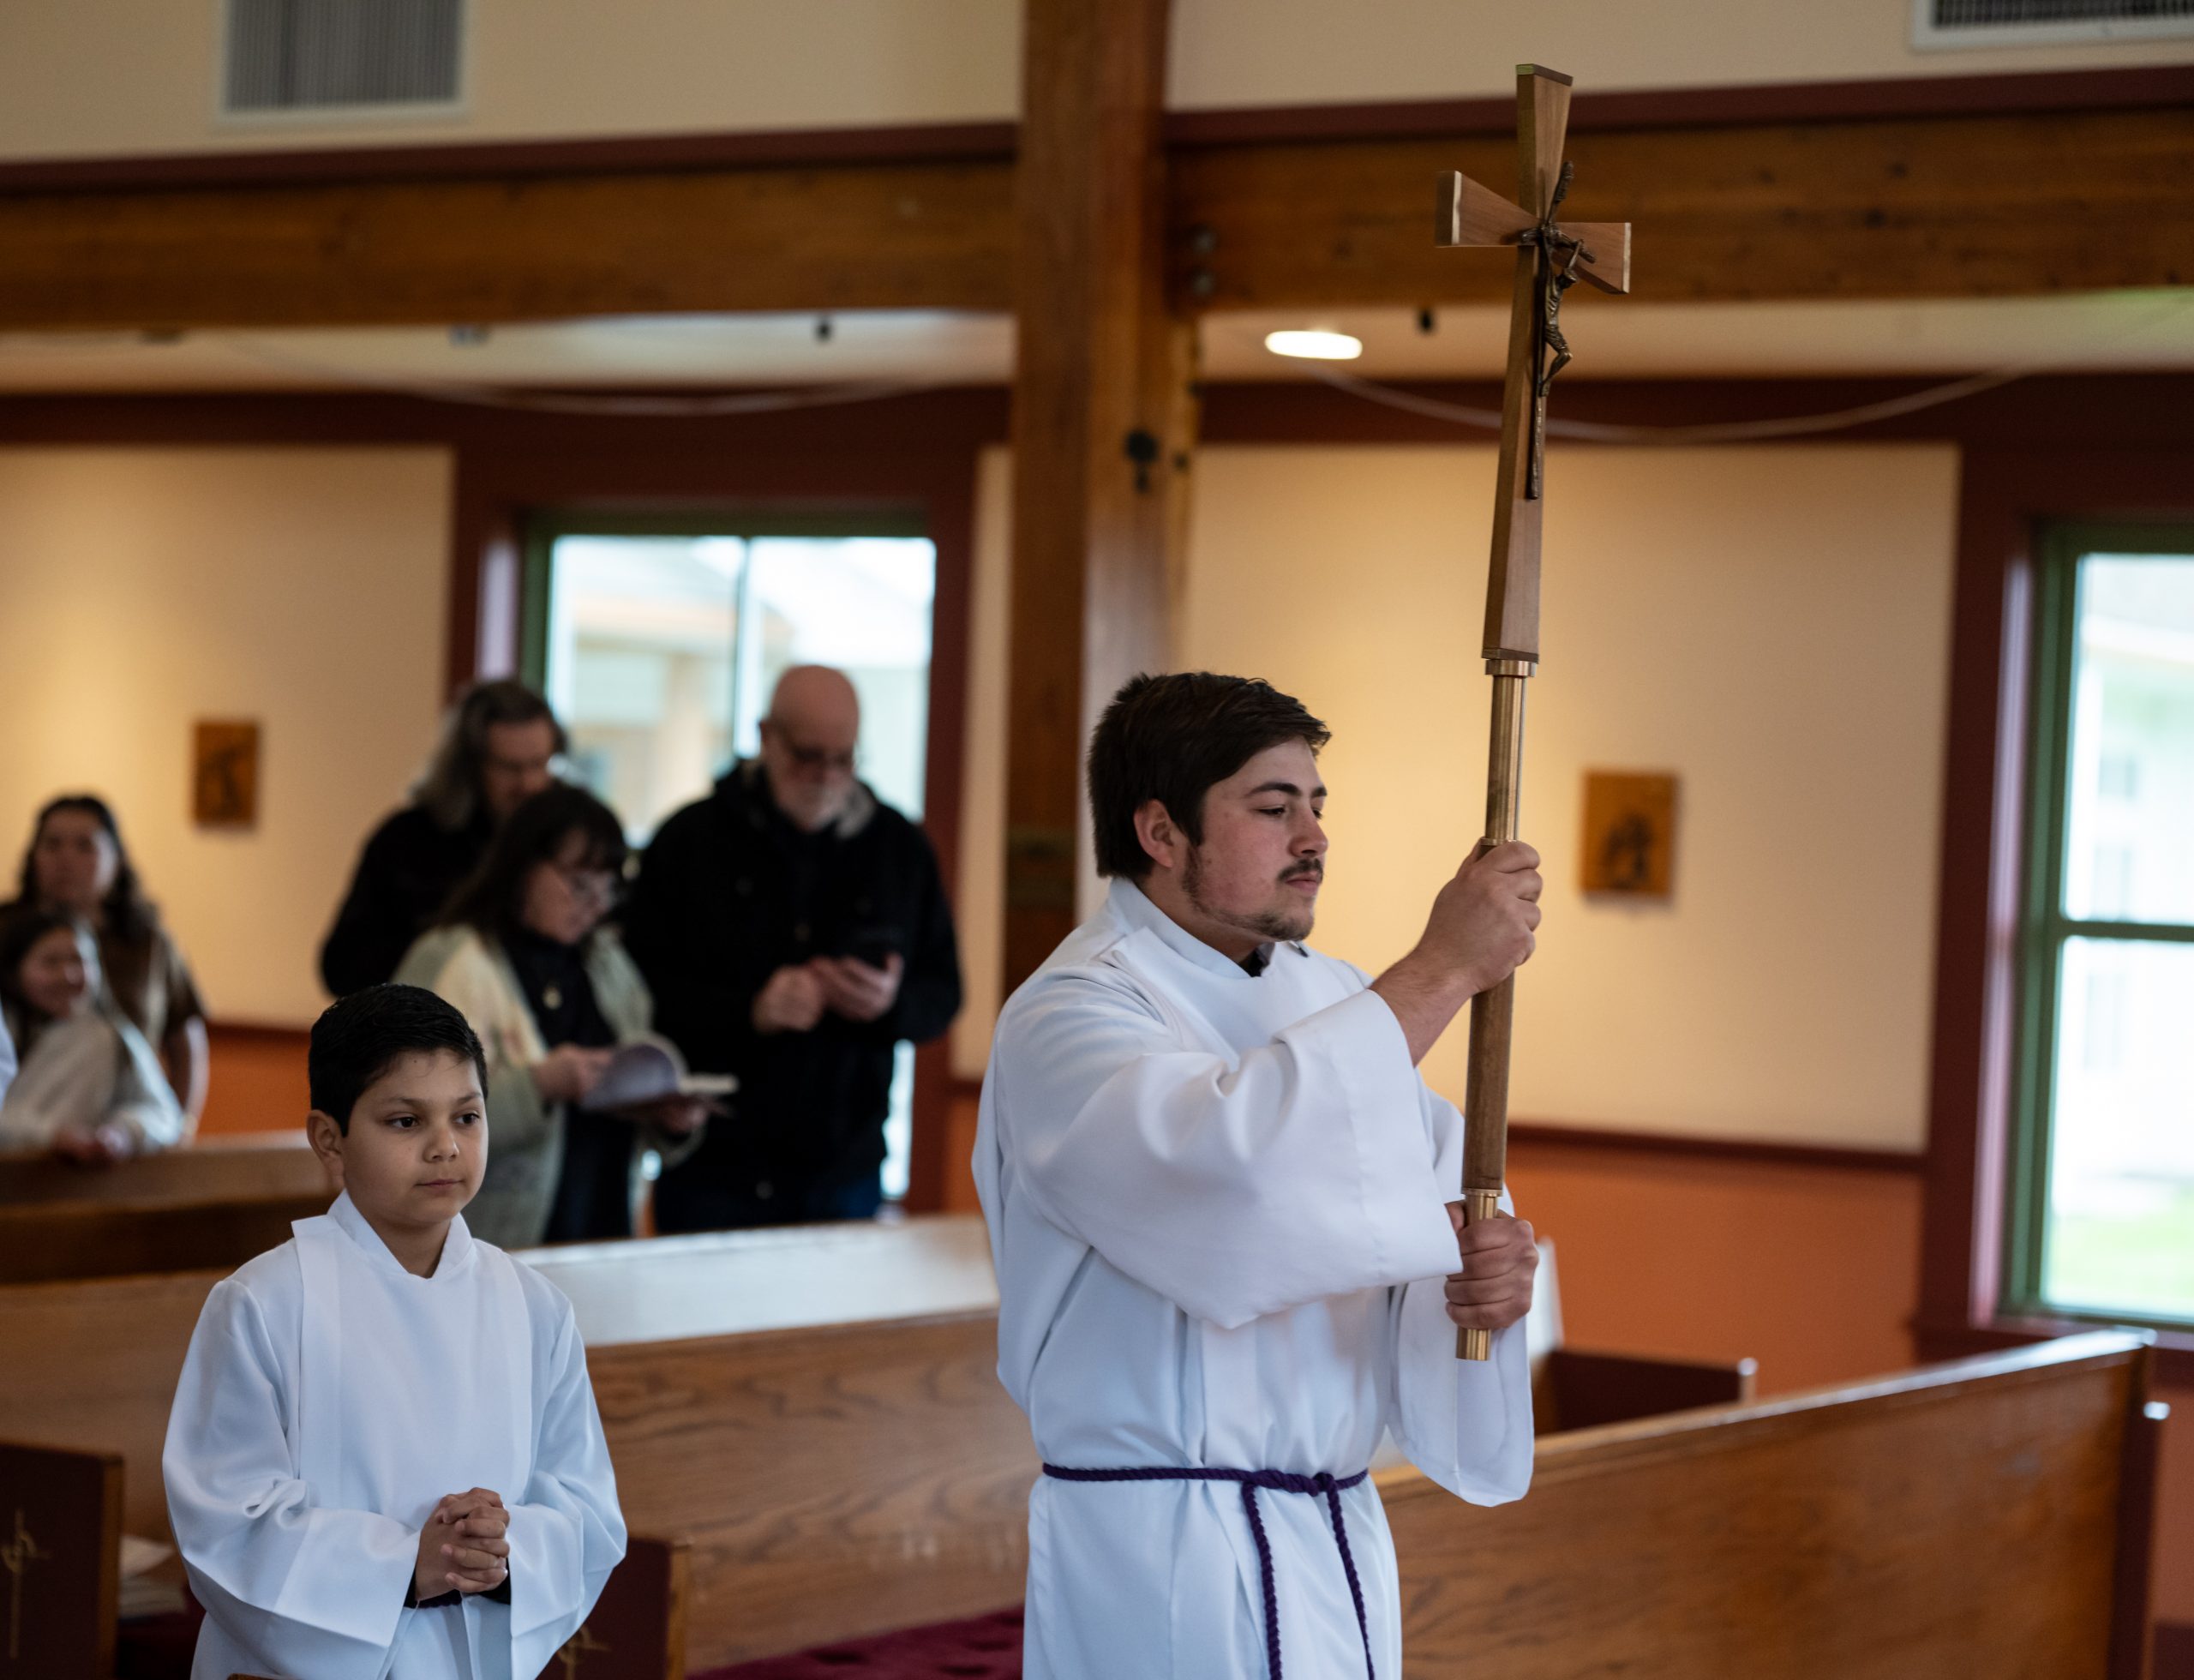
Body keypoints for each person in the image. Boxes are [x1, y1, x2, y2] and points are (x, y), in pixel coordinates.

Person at [974, 671, 1545, 1680]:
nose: (1314, 837)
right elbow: (1229, 1183)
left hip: (1328, 1531)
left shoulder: (1329, 997)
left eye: (1317, 806)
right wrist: (1444, 968)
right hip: (1162, 1550)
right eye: (1273, 808)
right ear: (1160, 832)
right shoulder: (1072, 1013)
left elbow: (1427, 1203)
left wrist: (1477, 1272)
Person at [162, 982, 626, 1680]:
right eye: (406, 1123)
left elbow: (585, 1509)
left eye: (467, 1117)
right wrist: (406, 1566)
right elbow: (227, 1521)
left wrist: (504, 1550)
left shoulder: (535, 1308)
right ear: (330, 1139)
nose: (445, 1148)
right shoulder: (266, 1302)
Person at [625, 664, 962, 1232]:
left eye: (844, 758)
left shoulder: (898, 849)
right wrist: (750, 1011)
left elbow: (944, 994)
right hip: (714, 1167)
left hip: (844, 1168)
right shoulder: (690, 842)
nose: (827, 776)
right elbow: (636, 995)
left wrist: (888, 1005)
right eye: (809, 756)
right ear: (765, 738)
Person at [395, 784, 707, 1248]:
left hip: (603, 1229)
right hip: (483, 1244)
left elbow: (633, 1092)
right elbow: (407, 1122)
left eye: (609, 889)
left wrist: (666, 1118)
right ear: (522, 867)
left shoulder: (608, 965)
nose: (597, 907)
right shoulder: (454, 959)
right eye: (580, 885)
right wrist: (540, 1086)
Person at [321, 680, 565, 999]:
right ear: (470, 766)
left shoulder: (567, 840)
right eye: (510, 768)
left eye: (539, 764)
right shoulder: (406, 841)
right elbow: (342, 968)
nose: (529, 784)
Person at [9, 794, 208, 1119]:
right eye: (52, 844)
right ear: (33, 857)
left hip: (123, 1137)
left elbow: (186, 1046)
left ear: (115, 859)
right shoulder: (5, 931)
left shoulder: (148, 944)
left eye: (84, 846)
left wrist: (179, 1131)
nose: (66, 859)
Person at [0, 907, 186, 1161]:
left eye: (79, 960)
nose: (68, 975)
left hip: (77, 1185)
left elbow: (164, 1113)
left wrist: (121, 1133)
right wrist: (51, 1135)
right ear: (14, 972)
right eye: (50, 962)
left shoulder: (113, 1037)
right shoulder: (6, 1030)